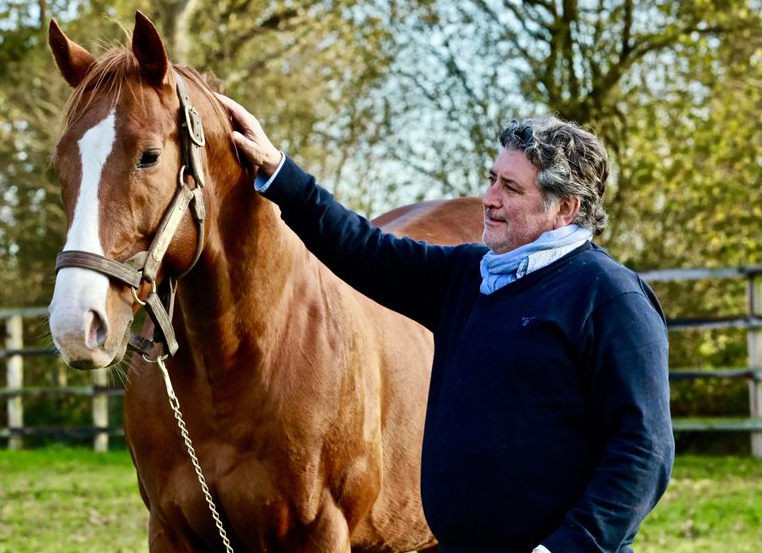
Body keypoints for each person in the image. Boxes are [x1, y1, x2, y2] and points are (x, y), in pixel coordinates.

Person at [218, 97, 674, 553]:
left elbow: (644, 450)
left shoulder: (609, 297)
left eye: (511, 188)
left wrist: (568, 547)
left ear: (566, 208)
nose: (489, 199)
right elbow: (363, 249)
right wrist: (279, 171)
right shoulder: (468, 276)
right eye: (492, 180)